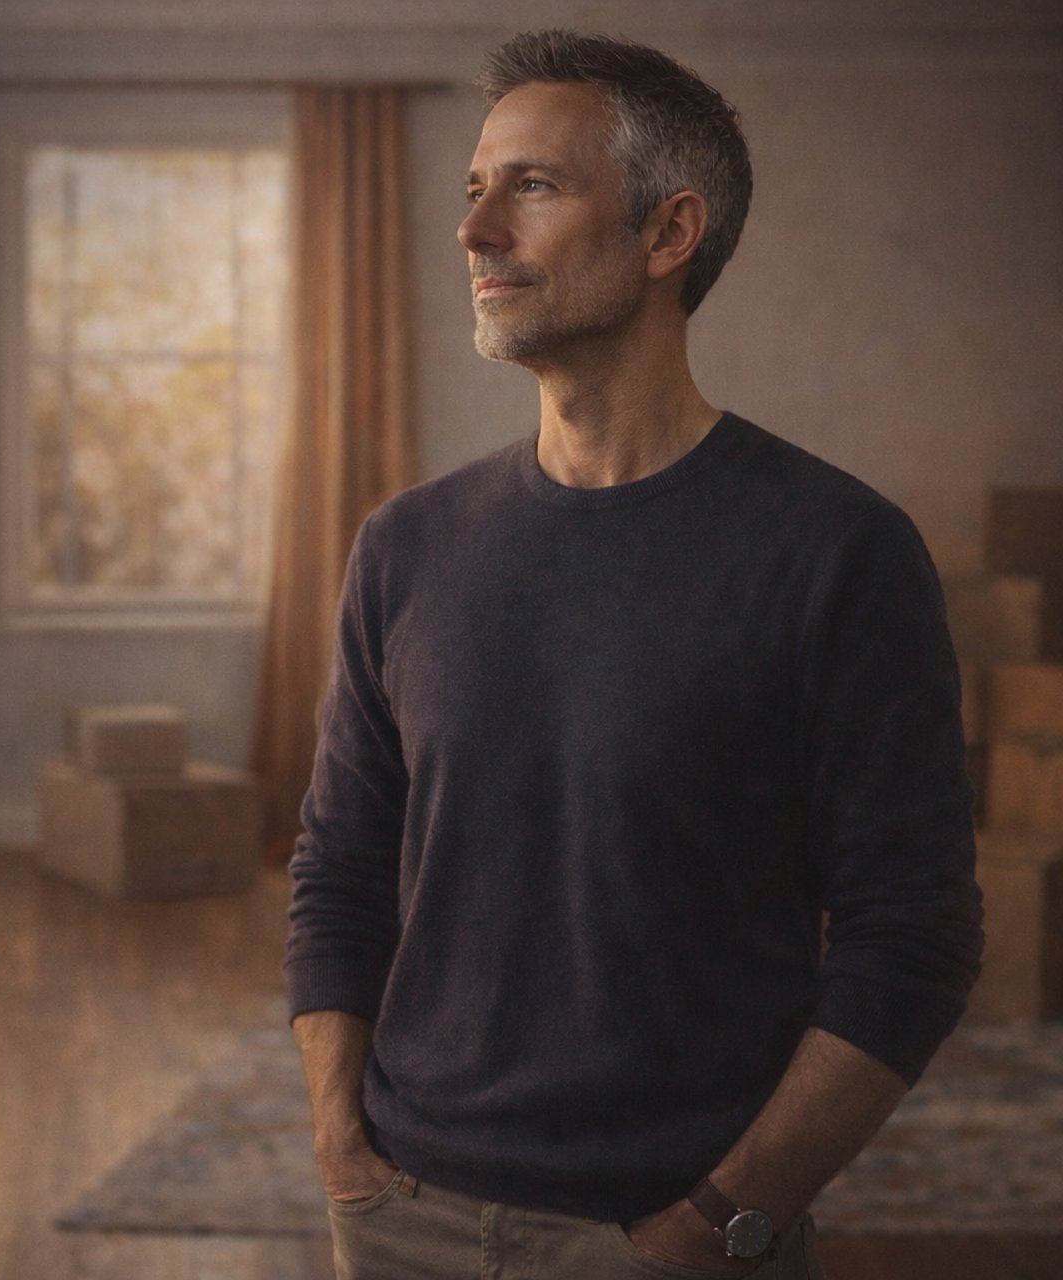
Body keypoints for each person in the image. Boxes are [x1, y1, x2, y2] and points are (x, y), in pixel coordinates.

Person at [284, 29, 984, 1280]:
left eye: (532, 186)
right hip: (399, 1211)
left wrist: (723, 1218)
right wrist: (341, 1140)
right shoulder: (404, 545)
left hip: (675, 1233)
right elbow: (340, 866)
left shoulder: (840, 551)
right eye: (472, 189)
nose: (474, 230)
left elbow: (913, 936)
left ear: (669, 235)